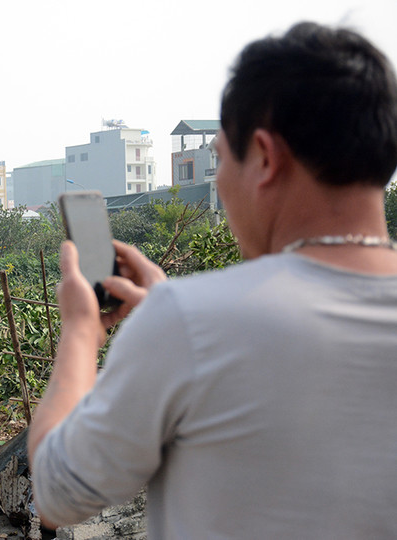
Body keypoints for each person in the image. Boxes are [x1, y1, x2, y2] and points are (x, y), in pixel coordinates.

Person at [28, 21, 397, 538]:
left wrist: (81, 332)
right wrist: (174, 310)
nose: (219, 180)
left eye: (220, 158)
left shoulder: (188, 323)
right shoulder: (187, 319)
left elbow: (56, 495)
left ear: (265, 157)